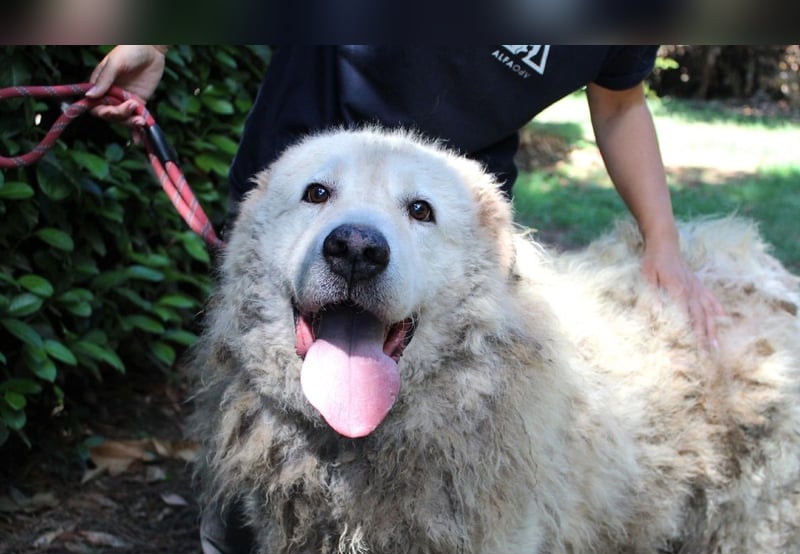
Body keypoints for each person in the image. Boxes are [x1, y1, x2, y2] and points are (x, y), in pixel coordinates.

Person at [87, 45, 723, 350]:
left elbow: (619, 108)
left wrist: (662, 242)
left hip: (441, 226)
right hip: (306, 196)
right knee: (265, 401)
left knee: (438, 424)